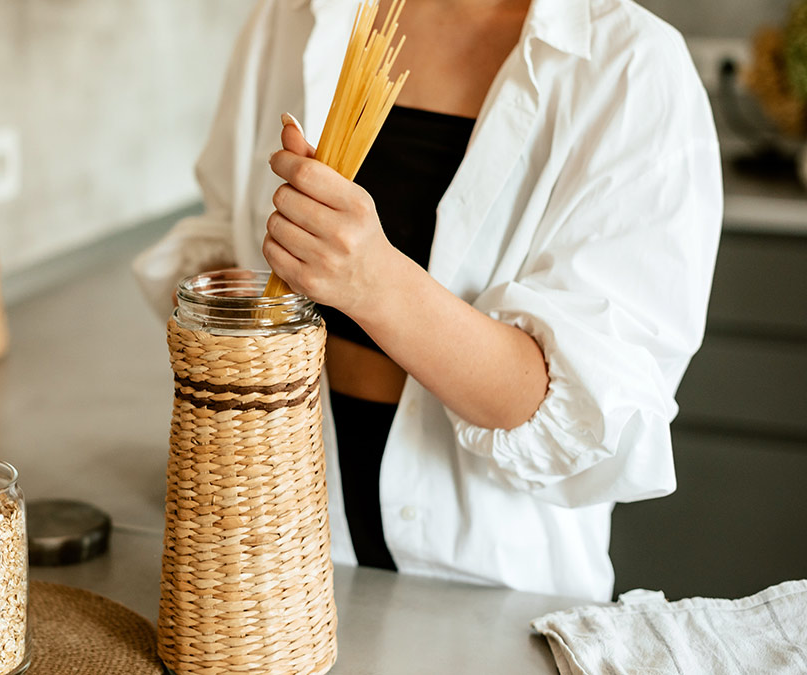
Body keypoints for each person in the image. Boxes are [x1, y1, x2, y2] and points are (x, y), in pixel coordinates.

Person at [134, 0, 721, 601]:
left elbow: (582, 405)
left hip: (488, 586)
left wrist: (376, 283)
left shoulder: (633, 66)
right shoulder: (295, 14)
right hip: (267, 549)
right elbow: (227, 234)